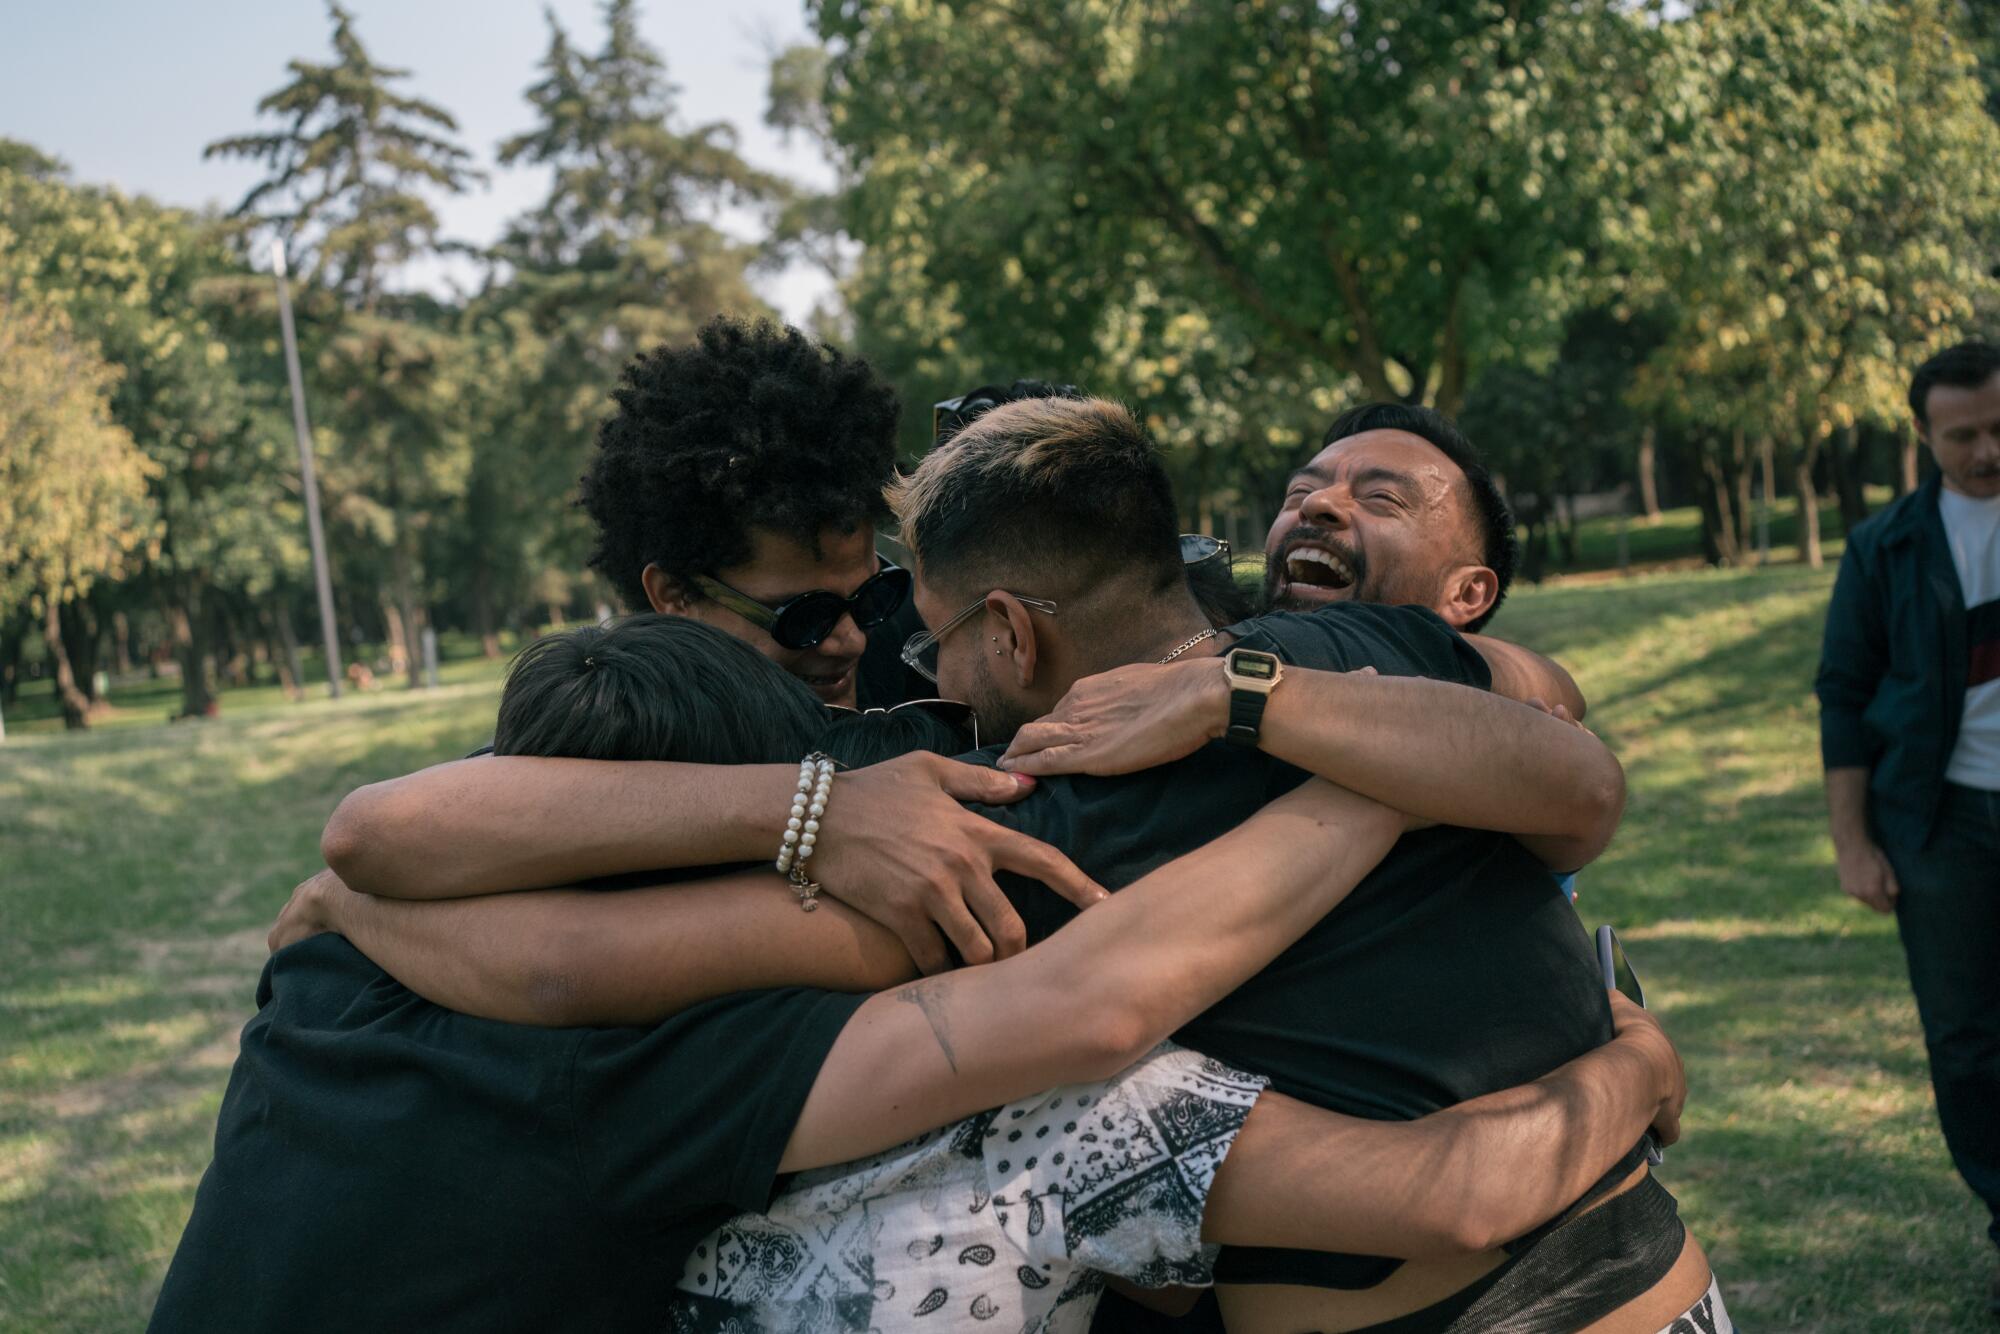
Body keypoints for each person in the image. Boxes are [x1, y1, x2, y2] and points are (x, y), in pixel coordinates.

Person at [318, 397, 1726, 1331]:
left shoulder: (1030, 813)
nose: (891, 658)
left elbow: (567, 947)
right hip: (1674, 1286)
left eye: (925, 631)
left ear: (1011, 630)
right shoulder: (1375, 656)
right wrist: (1291, 723)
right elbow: (1563, 735)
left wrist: (347, 909)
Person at [158, 614, 1685, 1334]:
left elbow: (383, 845)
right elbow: (1088, 1003)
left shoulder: (331, 970)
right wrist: (1377, 774)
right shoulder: (672, 1069)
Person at [1816, 339, 2000, 1314]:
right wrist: (1852, 841)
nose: (1983, 450)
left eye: (1998, 427)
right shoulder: (1881, 545)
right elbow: (1842, 693)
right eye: (1961, 434)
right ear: (1923, 434)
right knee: (1965, 1039)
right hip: (1936, 824)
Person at [581, 313, 927, 711]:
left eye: (873, 596)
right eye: (805, 616)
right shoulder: (617, 736)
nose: (853, 640)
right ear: (675, 597)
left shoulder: (915, 656)